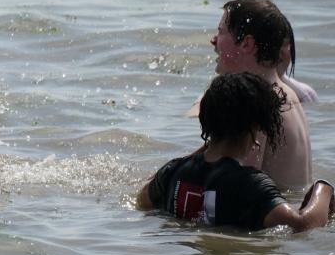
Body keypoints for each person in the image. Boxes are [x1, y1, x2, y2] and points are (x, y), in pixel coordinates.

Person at [137, 73, 333, 231]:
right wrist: (323, 190)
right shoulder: (251, 184)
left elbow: (142, 200)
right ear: (256, 126)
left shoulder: (172, 172)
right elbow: (301, 224)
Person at [186, 0, 312, 189]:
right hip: (290, 206)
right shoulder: (285, 93)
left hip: (272, 215)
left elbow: (239, 182)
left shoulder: (258, 101)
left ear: (247, 44)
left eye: (221, 32)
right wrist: (165, 175)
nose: (213, 40)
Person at [277, 13, 319, 105]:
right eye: (271, 45)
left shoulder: (306, 94)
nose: (278, 51)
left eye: (284, 44)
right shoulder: (241, 92)